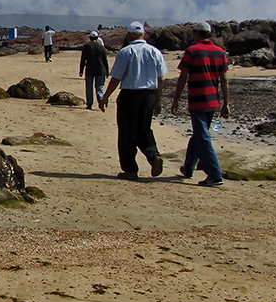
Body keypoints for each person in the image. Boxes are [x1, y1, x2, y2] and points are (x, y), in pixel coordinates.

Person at [98, 21, 168, 180]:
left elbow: (116, 78)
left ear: (129, 35)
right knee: (144, 129)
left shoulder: (126, 52)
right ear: (143, 34)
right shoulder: (155, 52)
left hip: (130, 95)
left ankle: (130, 169)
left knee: (126, 133)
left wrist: (105, 96)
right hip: (149, 95)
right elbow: (161, 79)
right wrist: (158, 101)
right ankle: (153, 155)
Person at [171, 21, 230, 187]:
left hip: (197, 100)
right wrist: (226, 103)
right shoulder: (220, 52)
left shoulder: (192, 51)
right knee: (199, 134)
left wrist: (176, 98)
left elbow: (183, 76)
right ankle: (188, 168)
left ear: (197, 34)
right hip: (213, 100)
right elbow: (224, 79)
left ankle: (214, 174)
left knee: (202, 136)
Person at [79, 31, 109, 110]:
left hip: (90, 69)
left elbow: (83, 59)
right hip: (100, 69)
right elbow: (105, 60)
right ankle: (101, 100)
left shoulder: (86, 46)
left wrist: (81, 70)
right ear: (97, 38)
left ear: (90, 38)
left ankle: (89, 104)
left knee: (89, 87)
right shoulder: (101, 47)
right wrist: (107, 70)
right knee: (99, 87)